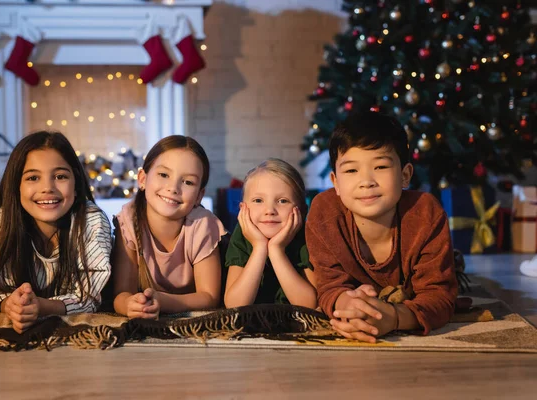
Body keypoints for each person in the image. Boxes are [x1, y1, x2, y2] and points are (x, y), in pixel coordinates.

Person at [306, 112, 458, 343]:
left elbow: (439, 296)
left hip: (409, 292)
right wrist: (346, 305)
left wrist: (395, 318)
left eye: (380, 167)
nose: (366, 181)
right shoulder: (325, 213)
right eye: (351, 170)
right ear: (335, 182)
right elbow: (328, 285)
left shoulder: (425, 213)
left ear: (405, 175)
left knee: (450, 271)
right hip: (358, 299)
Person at [0, 131, 112, 334]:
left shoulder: (91, 221)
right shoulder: (3, 221)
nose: (47, 188)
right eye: (33, 177)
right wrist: (10, 304)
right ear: (16, 187)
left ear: (77, 185)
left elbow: (89, 297)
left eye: (60, 176)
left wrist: (43, 307)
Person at [112, 135, 226, 319]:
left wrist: (163, 301)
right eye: (164, 175)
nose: (173, 188)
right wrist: (130, 305)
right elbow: (121, 294)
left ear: (199, 196)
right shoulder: (129, 221)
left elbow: (210, 296)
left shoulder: (202, 225)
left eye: (188, 182)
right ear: (142, 179)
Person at [224, 158, 316, 308]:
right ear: (243, 209)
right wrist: (259, 247)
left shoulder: (306, 236)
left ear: (302, 210)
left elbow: (309, 304)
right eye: (258, 200)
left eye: (282, 201)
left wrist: (276, 250)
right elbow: (235, 305)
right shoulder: (242, 234)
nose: (270, 211)